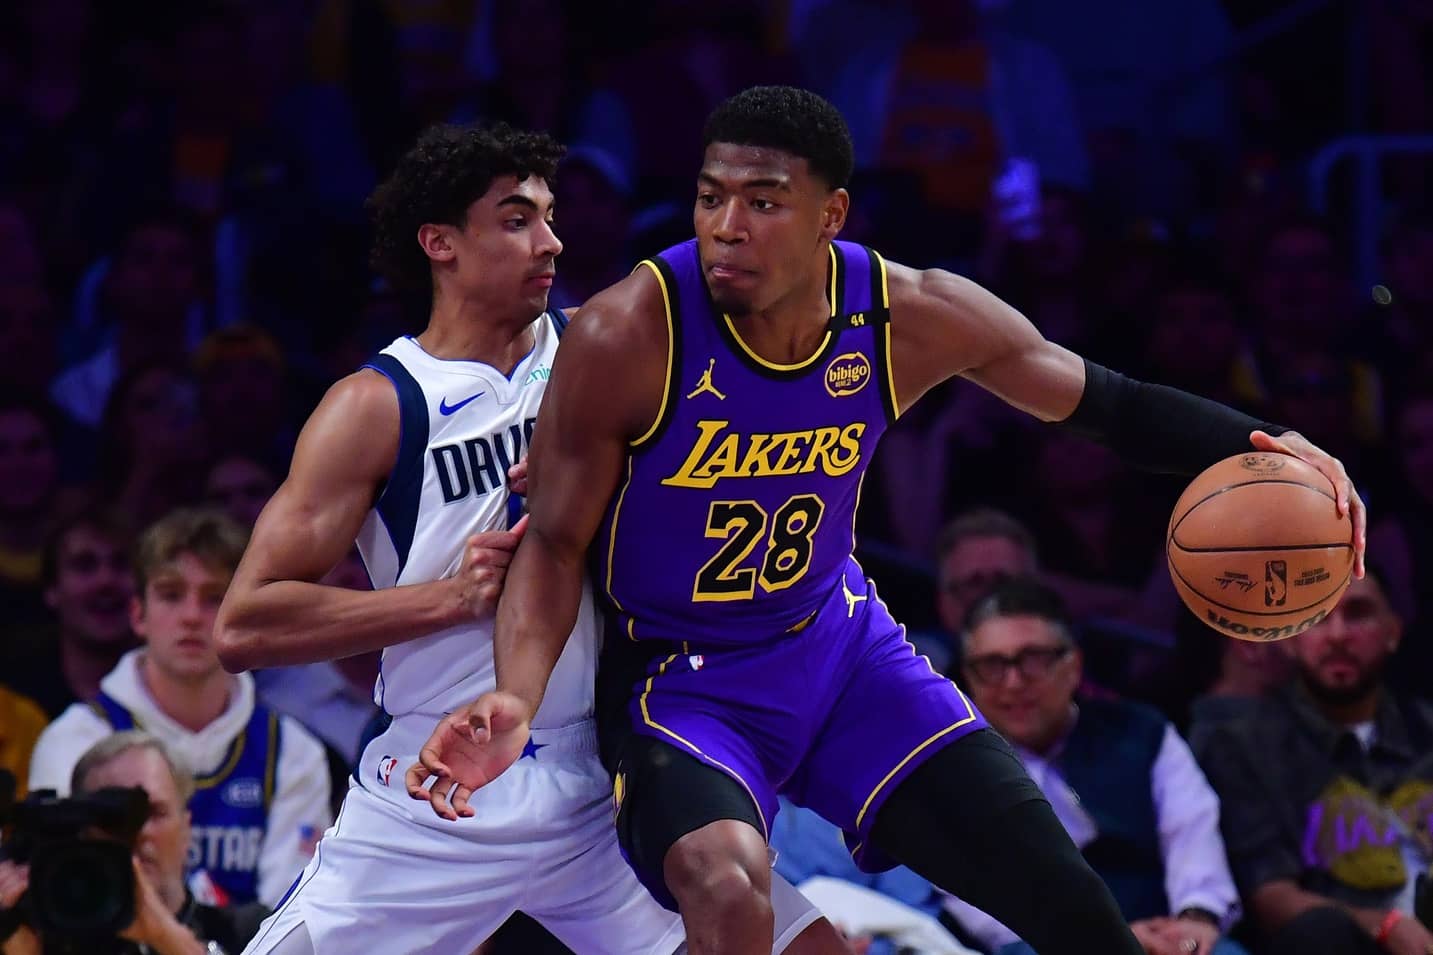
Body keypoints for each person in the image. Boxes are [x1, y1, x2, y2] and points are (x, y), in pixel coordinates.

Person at [410, 85, 1366, 955]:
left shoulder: (907, 312)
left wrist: (1271, 441)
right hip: (681, 683)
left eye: (763, 202)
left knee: (1073, 908)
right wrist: (518, 696)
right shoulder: (629, 330)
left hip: (841, 653)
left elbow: (1108, 404)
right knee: (726, 886)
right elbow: (555, 543)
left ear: (830, 215)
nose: (726, 227)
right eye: (709, 198)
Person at [213, 122, 834, 955]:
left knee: (806, 946)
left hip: (598, 772)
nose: (550, 241)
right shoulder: (377, 404)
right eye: (515, 220)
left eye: (548, 216)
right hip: (440, 779)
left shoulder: (599, 353)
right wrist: (449, 598)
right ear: (440, 242)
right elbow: (243, 625)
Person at [28, 508, 330, 908]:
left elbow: (290, 916)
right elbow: (68, 899)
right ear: (138, 614)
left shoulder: (293, 752)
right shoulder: (75, 740)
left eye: (214, 598)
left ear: (245, 615)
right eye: (171, 595)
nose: (191, 617)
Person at [943, 578, 1243, 955]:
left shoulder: (1142, 733)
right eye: (992, 665)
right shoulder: (953, 771)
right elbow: (979, 909)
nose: (1013, 682)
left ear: (1074, 665)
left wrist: (1196, 917)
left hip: (1164, 940)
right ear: (968, 678)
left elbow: (1191, 832)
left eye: (1033, 659)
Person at [1192, 569, 1433, 955]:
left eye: (1358, 614)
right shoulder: (1243, 746)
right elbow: (1270, 896)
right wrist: (1384, 926)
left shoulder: (1425, 729)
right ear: (1289, 639)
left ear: (1393, 632)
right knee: (1318, 931)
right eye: (1317, 616)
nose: (1337, 635)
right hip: (1344, 945)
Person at [0, 731, 269, 955]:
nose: (138, 832)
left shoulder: (250, 933)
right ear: (82, 832)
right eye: (111, 819)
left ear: (186, 827)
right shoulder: (39, 937)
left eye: (155, 813)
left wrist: (165, 937)